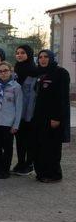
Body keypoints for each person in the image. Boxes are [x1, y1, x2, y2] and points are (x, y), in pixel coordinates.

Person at [32, 50, 70, 183]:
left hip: (53, 117)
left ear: (52, 58)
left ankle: (53, 174)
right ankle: (41, 172)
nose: (43, 59)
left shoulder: (60, 73)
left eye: (46, 57)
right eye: (40, 57)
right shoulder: (38, 73)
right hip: (38, 116)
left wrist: (57, 117)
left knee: (51, 147)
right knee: (39, 145)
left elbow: (62, 98)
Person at [12, 45, 39, 175]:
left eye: (22, 53)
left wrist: (30, 115)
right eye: (17, 53)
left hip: (30, 113)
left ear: (28, 54)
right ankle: (21, 162)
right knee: (20, 139)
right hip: (18, 113)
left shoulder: (35, 72)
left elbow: (34, 96)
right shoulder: (15, 71)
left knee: (30, 140)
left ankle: (29, 163)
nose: (19, 55)